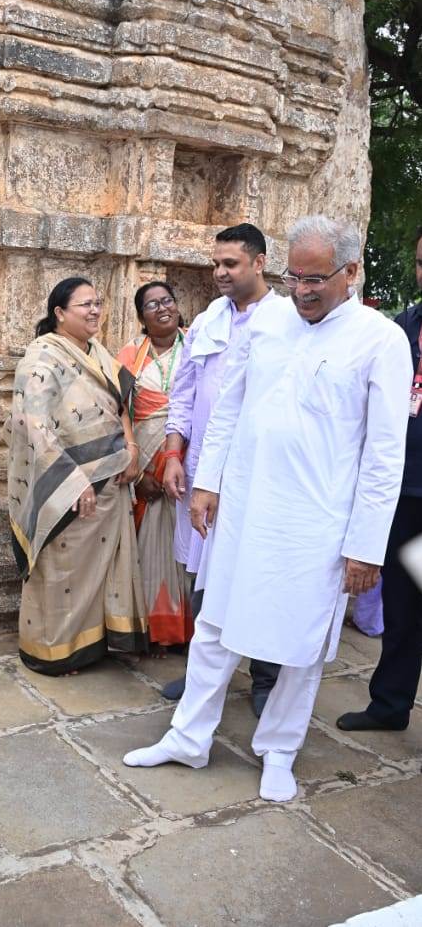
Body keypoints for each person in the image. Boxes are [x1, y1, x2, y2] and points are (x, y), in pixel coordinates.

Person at [123, 215, 411, 804]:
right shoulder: (269, 321)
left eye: (317, 279)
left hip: (317, 524)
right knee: (215, 627)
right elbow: (228, 404)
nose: (302, 290)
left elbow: (385, 455)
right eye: (294, 276)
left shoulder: (381, 341)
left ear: (351, 273)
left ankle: (279, 749)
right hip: (245, 507)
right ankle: (188, 736)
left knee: (300, 644)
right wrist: (208, 484)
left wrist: (365, 545)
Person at [160, 223, 279, 714]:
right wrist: (172, 451)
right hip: (199, 470)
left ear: (259, 263)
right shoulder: (210, 318)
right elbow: (184, 390)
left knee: (256, 572)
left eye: (230, 263)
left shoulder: (285, 321)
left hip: (254, 475)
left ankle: (266, 678)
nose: (220, 272)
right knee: (201, 573)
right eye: (216, 264)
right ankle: (202, 675)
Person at [7, 277, 145, 675]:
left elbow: (120, 404)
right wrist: (74, 482)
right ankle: (53, 652)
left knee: (102, 569)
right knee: (62, 571)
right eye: (84, 304)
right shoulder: (41, 359)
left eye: (98, 303)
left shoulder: (98, 353)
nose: (95, 311)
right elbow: (33, 425)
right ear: (60, 313)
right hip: (70, 487)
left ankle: (97, 645)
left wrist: (132, 449)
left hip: (111, 479)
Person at [337, 226, 422, 732]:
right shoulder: (403, 327)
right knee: (403, 604)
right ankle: (389, 706)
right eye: (419, 262)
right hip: (406, 492)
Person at [117, 281, 192, 651]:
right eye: (151, 305)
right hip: (143, 465)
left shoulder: (198, 346)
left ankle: (186, 628)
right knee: (147, 543)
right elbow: (117, 412)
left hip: (189, 462)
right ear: (142, 317)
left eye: (167, 300)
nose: (162, 308)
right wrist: (138, 472)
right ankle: (147, 627)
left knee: (187, 540)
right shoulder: (130, 355)